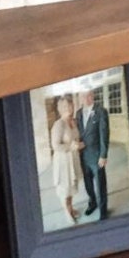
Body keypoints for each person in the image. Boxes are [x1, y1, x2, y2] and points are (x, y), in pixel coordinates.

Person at [77, 89, 110, 220]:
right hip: (83, 155)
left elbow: (104, 134)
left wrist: (103, 155)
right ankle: (93, 203)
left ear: (93, 95)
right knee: (87, 183)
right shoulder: (78, 113)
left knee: (100, 184)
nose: (86, 98)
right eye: (83, 95)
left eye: (89, 94)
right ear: (80, 98)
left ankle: (103, 210)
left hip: (97, 155)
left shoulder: (101, 111)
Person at [48, 95, 82, 224]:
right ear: (59, 109)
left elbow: (76, 138)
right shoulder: (59, 124)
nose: (68, 108)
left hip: (72, 159)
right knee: (64, 189)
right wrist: (72, 146)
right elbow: (55, 145)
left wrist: (78, 144)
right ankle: (67, 213)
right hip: (63, 162)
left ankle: (71, 208)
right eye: (64, 106)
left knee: (71, 187)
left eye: (70, 105)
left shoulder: (72, 121)